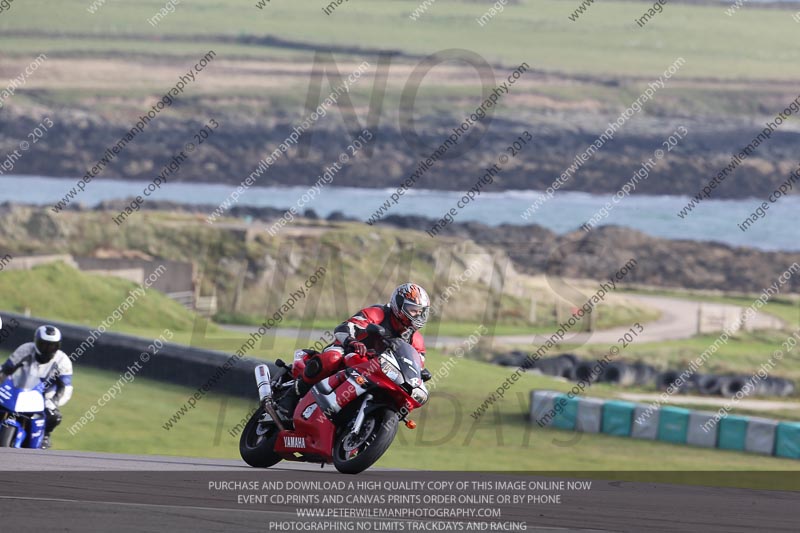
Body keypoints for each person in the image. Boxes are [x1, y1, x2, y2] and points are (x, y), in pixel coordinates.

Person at [275, 282, 431, 420]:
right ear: (398, 305)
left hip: (379, 370)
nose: (418, 315)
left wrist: (420, 376)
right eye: (413, 310)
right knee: (332, 358)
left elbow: (417, 366)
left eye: (421, 312)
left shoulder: (417, 340)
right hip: (350, 352)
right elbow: (344, 328)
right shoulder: (378, 313)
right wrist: (352, 341)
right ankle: (290, 397)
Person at [0, 325, 73, 449]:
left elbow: (64, 387)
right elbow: (6, 370)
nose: (47, 349)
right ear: (36, 342)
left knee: (54, 416)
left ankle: (45, 436)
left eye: (52, 346)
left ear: (58, 346)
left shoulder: (63, 361)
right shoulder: (25, 350)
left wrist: (54, 402)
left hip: (46, 393)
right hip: (20, 387)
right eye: (44, 344)